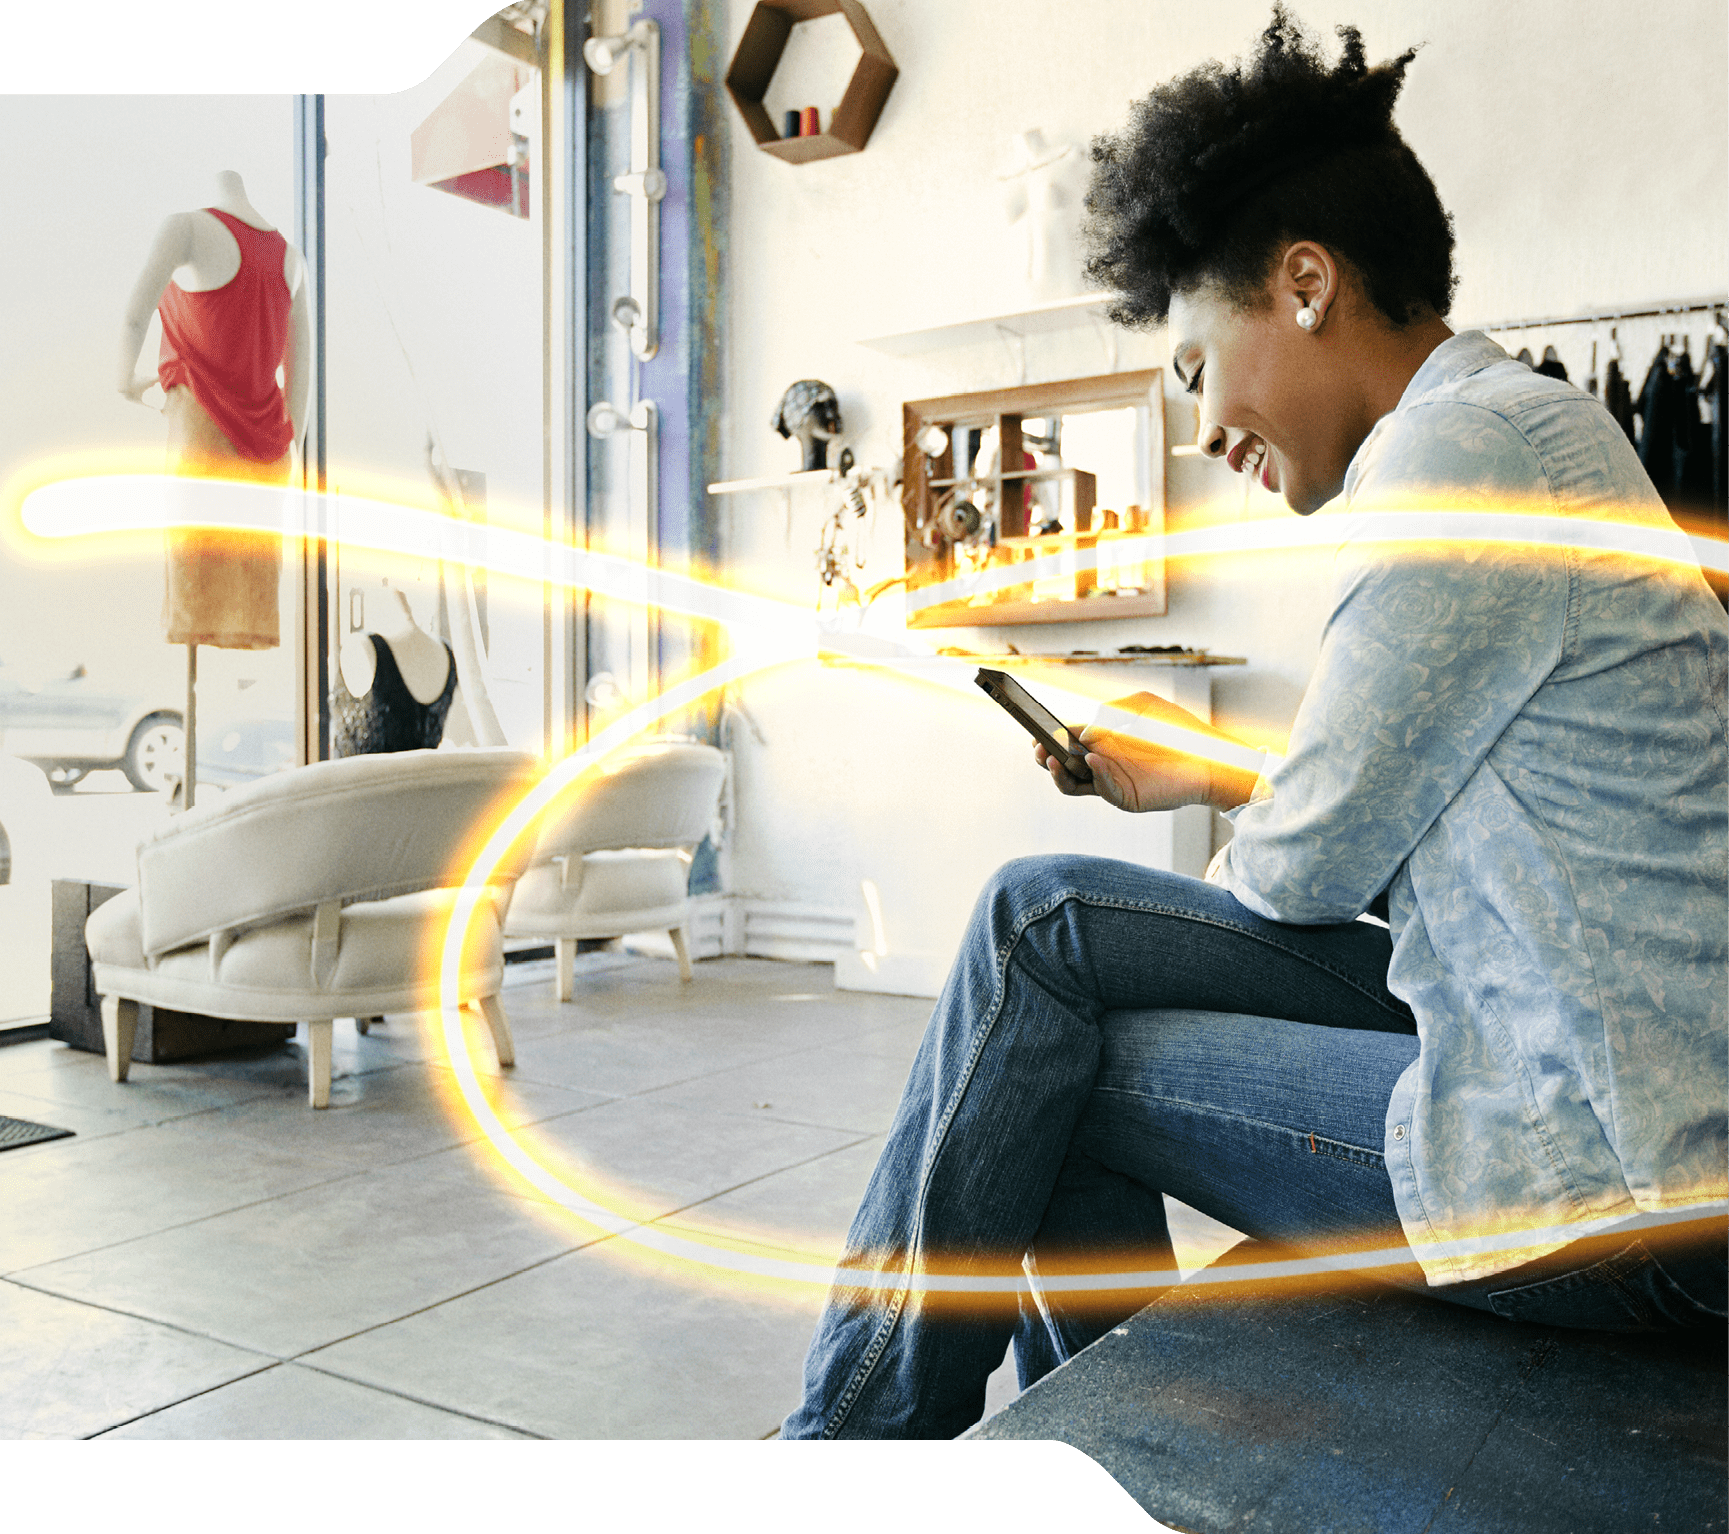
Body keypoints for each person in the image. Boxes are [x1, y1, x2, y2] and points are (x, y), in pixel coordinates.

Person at [782, 7, 1728, 1441]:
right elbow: (1384, 803)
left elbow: (1301, 872)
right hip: (1602, 1077)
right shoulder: (1519, 430)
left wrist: (1237, 792)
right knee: (1039, 936)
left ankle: (855, 1455)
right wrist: (1215, 769)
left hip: (1608, 1175)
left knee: (1048, 1003)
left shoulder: (1451, 457)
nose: (1205, 424)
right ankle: (1039, 1443)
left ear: (1302, 283)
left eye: (1189, 365)